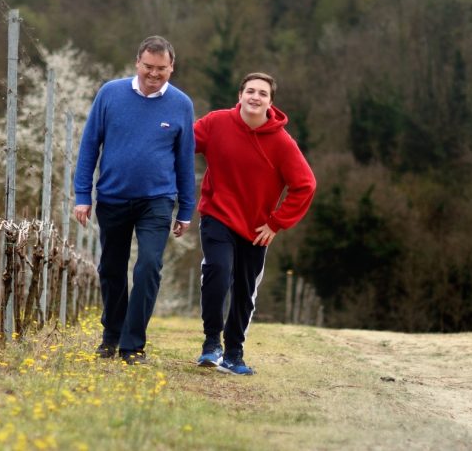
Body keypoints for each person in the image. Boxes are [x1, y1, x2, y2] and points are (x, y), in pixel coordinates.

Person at [73, 35, 196, 365]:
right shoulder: (110, 94)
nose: (154, 73)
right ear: (137, 63)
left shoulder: (181, 104)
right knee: (111, 268)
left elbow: (185, 160)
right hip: (112, 196)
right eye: (148, 66)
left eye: (161, 68)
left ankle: (133, 344)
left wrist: (186, 208)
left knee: (149, 267)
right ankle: (112, 335)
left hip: (157, 200)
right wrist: (83, 194)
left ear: (172, 68)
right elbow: (89, 146)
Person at [193, 72, 316, 375]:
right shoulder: (215, 123)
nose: (255, 97)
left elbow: (305, 185)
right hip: (217, 215)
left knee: (244, 290)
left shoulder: (282, 143)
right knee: (218, 271)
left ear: (271, 102)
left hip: (257, 229)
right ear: (240, 95)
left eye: (262, 93)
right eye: (250, 91)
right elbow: (181, 145)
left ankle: (234, 354)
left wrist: (276, 223)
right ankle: (211, 343)